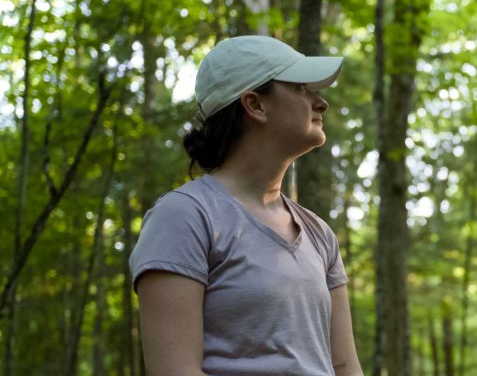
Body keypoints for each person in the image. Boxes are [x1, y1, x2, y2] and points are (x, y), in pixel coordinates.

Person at [129, 35, 363, 376]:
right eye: (301, 87)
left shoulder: (319, 234)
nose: (321, 102)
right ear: (255, 104)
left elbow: (346, 368)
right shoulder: (185, 217)